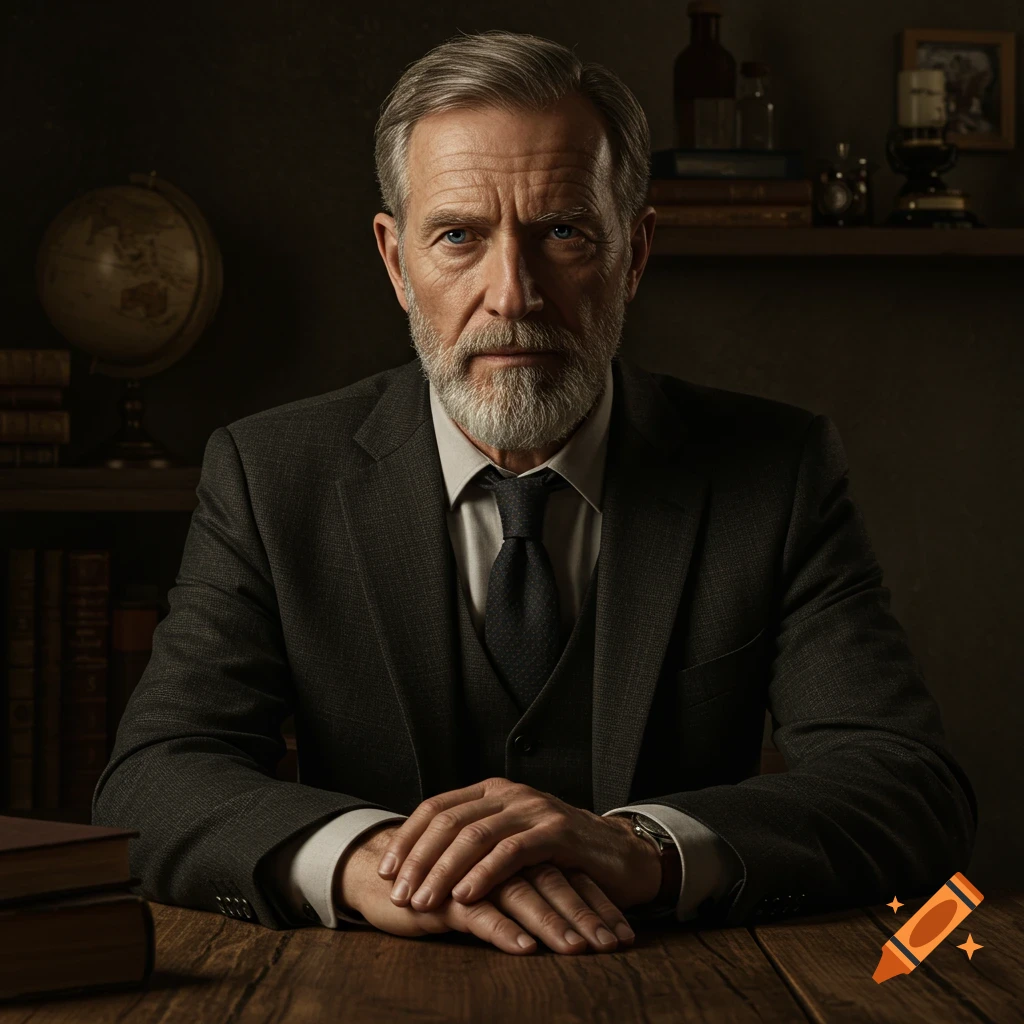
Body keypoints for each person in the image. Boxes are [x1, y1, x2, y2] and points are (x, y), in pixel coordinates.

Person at [93, 29, 977, 957]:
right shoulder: (272, 475)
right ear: (397, 263)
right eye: (459, 236)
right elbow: (153, 778)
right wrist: (372, 864)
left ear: (633, 254)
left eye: (562, 232)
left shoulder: (775, 470)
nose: (512, 293)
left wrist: (645, 848)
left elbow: (906, 785)